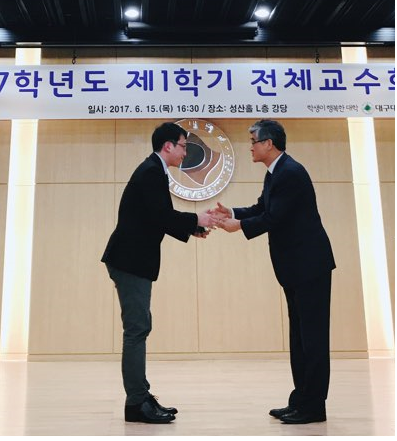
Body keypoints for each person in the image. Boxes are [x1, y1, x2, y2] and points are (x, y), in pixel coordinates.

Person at [212, 119, 336, 425]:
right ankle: (301, 400)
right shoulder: (276, 173)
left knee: (313, 339)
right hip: (295, 268)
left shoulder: (290, 172)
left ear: (269, 143)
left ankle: (314, 407)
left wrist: (239, 226)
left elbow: (274, 218)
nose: (250, 147)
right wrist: (233, 213)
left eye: (253, 141)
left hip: (309, 266)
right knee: (299, 338)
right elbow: (262, 208)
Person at [101, 122, 217, 424]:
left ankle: (140, 397)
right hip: (130, 261)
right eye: (183, 146)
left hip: (132, 261)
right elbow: (161, 215)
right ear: (168, 146)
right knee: (136, 330)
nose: (185, 152)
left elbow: (156, 218)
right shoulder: (151, 171)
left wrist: (193, 228)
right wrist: (196, 218)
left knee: (140, 328)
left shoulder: (154, 170)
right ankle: (136, 403)